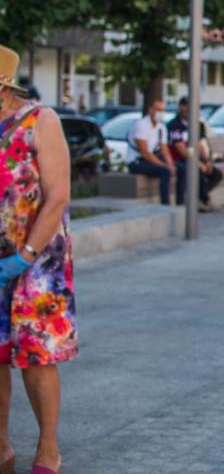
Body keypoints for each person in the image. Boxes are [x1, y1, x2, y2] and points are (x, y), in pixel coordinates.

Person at [0, 45, 77, 474]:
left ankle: (48, 448)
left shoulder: (39, 120)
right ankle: (1, 447)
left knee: (36, 356)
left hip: (38, 263)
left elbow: (58, 196)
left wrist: (24, 255)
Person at [167, 97, 223, 212]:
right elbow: (180, 149)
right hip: (180, 158)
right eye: (186, 106)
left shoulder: (198, 125)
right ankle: (205, 200)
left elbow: (202, 144)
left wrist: (207, 161)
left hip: (194, 158)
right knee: (197, 172)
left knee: (216, 174)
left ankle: (198, 197)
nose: (188, 109)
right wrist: (197, 164)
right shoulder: (174, 125)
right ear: (180, 107)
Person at [127, 99, 184, 206]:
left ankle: (180, 203)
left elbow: (164, 149)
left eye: (163, 110)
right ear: (150, 110)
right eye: (158, 110)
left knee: (182, 169)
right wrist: (164, 165)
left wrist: (170, 164)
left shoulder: (161, 127)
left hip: (150, 159)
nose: (161, 113)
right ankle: (165, 205)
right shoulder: (141, 125)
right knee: (165, 171)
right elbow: (144, 152)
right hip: (136, 161)